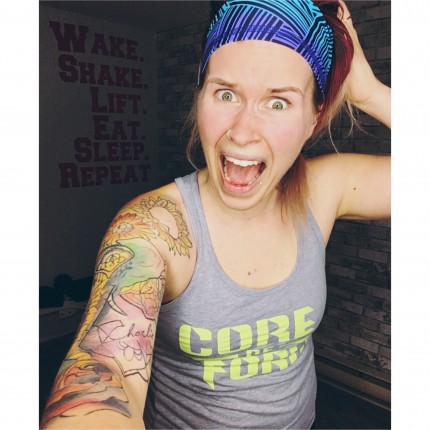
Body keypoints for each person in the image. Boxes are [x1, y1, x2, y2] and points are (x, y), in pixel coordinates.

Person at [41, 0, 390, 428]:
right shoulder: (154, 226)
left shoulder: (323, 192)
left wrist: (370, 93)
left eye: (278, 103)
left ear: (312, 119)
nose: (242, 132)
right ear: (200, 98)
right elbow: (103, 364)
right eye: (226, 94)